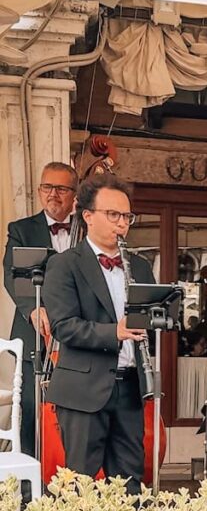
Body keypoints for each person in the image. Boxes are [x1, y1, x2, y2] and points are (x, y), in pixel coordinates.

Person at [42, 174, 154, 493]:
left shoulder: (141, 266)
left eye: (127, 216)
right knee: (81, 484)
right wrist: (115, 332)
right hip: (83, 389)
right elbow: (64, 326)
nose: (122, 224)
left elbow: (147, 322)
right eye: (113, 215)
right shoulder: (64, 265)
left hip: (130, 386)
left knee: (131, 481)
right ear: (88, 216)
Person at [2, 162, 78, 456]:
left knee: (75, 414)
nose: (53, 194)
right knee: (31, 409)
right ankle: (29, 489)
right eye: (47, 187)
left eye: (61, 188)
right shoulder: (22, 229)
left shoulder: (86, 229)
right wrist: (33, 309)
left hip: (74, 335)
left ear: (74, 194)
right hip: (36, 333)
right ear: (38, 191)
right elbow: (12, 274)